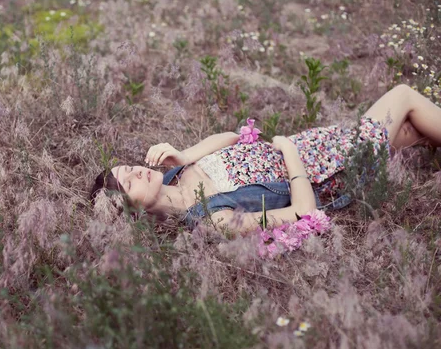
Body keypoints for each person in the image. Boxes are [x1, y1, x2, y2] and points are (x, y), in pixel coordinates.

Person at [90, 85, 441, 236]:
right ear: (133, 213)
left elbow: (230, 138)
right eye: (128, 182)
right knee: (404, 97)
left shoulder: (172, 175)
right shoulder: (214, 220)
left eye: (128, 167)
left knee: (411, 127)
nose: (136, 170)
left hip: (311, 146)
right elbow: (304, 213)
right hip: (332, 172)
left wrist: (186, 155)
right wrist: (289, 152)